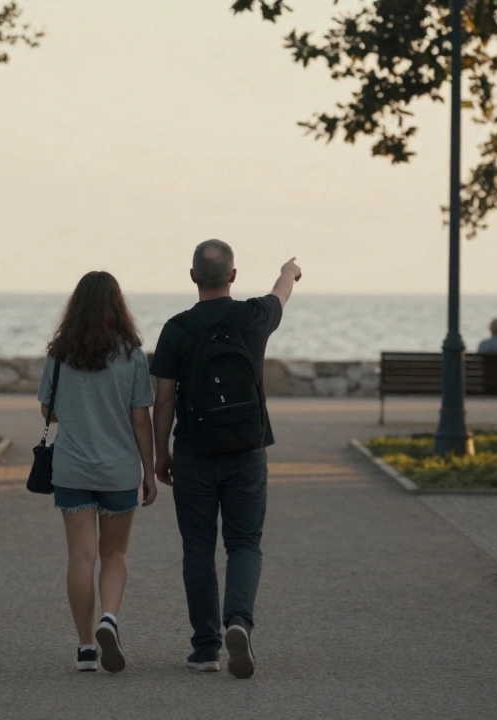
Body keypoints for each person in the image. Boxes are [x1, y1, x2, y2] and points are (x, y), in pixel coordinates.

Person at [150, 240, 301, 680]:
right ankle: (239, 621)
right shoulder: (253, 317)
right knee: (244, 544)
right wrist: (289, 271)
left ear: (192, 276)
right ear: (233, 276)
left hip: (194, 452)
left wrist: (161, 454)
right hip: (247, 450)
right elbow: (281, 293)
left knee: (198, 549)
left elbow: (163, 400)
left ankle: (205, 648)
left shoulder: (176, 329)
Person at [37, 271, 157, 674]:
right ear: (117, 306)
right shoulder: (132, 355)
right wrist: (149, 472)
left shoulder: (59, 354)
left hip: (72, 469)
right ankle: (109, 618)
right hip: (119, 471)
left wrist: (79, 408)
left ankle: (86, 647)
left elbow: (49, 411)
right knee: (115, 553)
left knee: (81, 556)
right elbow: (140, 419)